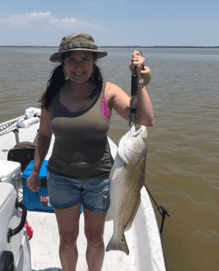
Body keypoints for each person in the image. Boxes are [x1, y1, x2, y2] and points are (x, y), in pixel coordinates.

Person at [27, 33, 154, 271]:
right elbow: (44, 135)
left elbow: (145, 119)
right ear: (63, 63)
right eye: (71, 60)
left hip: (100, 180)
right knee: (67, 239)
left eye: (85, 59)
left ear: (94, 62)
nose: (78, 67)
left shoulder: (108, 92)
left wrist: (139, 80)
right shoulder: (51, 94)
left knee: (95, 239)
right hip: (61, 178)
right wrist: (35, 171)